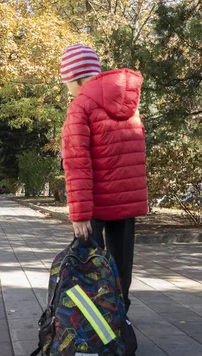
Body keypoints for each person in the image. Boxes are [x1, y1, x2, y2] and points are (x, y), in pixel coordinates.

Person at [60, 44, 148, 311]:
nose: (67, 88)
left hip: (95, 206)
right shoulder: (130, 106)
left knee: (87, 271)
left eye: (66, 82)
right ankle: (120, 322)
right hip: (126, 204)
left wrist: (80, 213)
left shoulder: (81, 106)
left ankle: (93, 334)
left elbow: (77, 163)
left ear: (76, 78)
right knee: (121, 271)